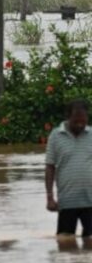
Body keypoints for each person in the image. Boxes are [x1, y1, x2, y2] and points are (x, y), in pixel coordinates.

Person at [46, 99, 92, 239]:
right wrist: (50, 198)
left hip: (90, 201)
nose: (80, 124)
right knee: (65, 242)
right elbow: (50, 167)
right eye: (76, 120)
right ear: (68, 117)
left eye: (83, 120)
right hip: (67, 201)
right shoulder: (55, 136)